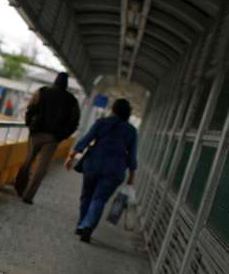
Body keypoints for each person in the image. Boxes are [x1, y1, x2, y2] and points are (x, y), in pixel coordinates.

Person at [66, 98, 138, 242]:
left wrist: (72, 155)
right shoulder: (131, 131)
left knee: (86, 196)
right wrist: (131, 175)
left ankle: (81, 224)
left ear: (113, 110)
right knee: (99, 199)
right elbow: (132, 155)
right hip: (115, 169)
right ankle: (88, 225)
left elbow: (86, 139)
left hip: (93, 164)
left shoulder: (102, 123)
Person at [14, 72, 80, 204]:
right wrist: (62, 136)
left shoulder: (42, 92)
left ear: (55, 81)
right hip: (53, 138)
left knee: (28, 161)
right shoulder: (72, 100)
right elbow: (75, 122)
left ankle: (20, 187)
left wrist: (30, 125)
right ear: (66, 84)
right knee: (41, 168)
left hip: (36, 133)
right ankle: (28, 196)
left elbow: (30, 108)